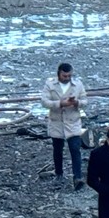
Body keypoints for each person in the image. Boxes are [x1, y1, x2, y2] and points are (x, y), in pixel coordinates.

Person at [40, 61, 87, 189]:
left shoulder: (78, 84)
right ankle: (59, 173)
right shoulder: (50, 84)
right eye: (64, 76)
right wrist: (60, 104)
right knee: (57, 150)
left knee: (75, 149)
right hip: (57, 122)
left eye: (69, 76)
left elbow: (85, 100)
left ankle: (77, 177)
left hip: (73, 122)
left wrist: (76, 102)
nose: (67, 78)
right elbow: (44, 102)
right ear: (59, 74)